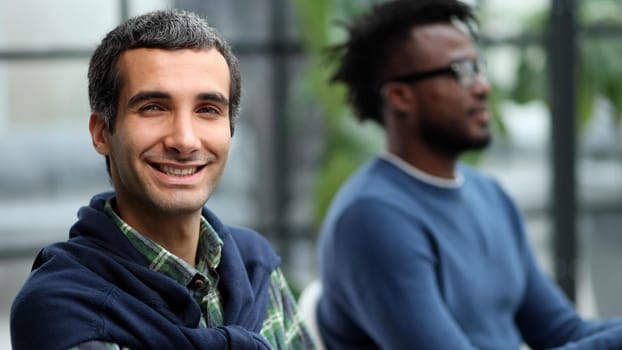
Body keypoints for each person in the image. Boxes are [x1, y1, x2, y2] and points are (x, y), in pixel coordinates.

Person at [315, 0, 622, 349]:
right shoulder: (372, 216)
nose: (482, 86)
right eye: (461, 71)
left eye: (479, 67)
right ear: (401, 96)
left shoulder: (489, 194)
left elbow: (562, 331)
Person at [10, 9, 315, 350]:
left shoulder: (253, 264)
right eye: (154, 107)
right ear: (101, 134)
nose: (184, 140)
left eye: (208, 110)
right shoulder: (62, 309)